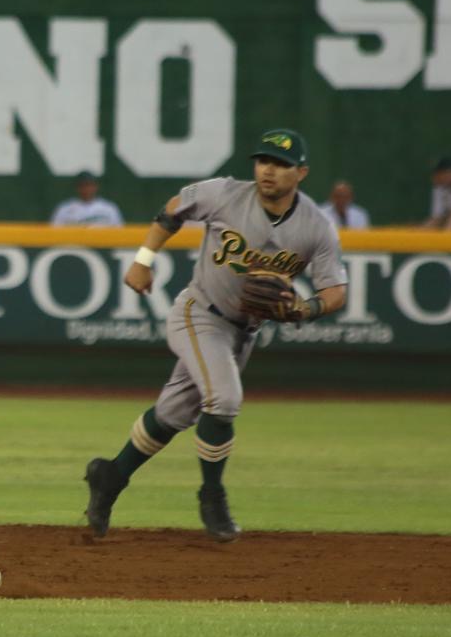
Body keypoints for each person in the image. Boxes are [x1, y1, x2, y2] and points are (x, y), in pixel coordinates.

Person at [83, 129, 348, 542]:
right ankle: (212, 494)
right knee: (224, 399)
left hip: (243, 333)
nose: (268, 171)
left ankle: (110, 476)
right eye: (263, 161)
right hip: (199, 313)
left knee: (173, 414)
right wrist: (143, 259)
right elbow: (173, 210)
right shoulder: (225, 194)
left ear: (301, 173)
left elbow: (335, 292)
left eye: (280, 164)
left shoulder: (315, 225)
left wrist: (304, 307)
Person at [50, 171, 124, 226]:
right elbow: (54, 233)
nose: (86, 189)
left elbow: (119, 232)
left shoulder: (108, 208)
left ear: (95, 187)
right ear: (77, 188)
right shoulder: (64, 209)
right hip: (74, 246)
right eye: (82, 185)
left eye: (89, 185)